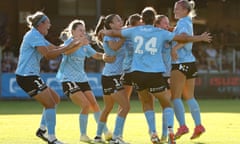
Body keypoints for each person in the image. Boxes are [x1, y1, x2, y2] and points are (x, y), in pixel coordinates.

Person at [99, 6, 211, 144]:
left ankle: (153, 133)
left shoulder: (133, 30)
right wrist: (200, 37)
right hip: (155, 73)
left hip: (137, 73)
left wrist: (104, 31)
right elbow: (182, 37)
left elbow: (115, 33)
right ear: (154, 19)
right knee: (166, 103)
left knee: (146, 103)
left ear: (142, 19)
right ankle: (170, 131)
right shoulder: (160, 32)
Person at [15, 11, 85, 144]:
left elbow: (56, 48)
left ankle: (42, 130)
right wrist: (68, 47)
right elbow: (49, 54)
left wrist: (74, 44)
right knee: (50, 103)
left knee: (55, 99)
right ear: (41, 24)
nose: (50, 25)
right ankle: (52, 138)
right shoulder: (34, 35)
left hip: (30, 75)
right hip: (27, 76)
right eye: (48, 23)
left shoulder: (37, 35)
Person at [56, 19, 113, 143]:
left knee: (94, 105)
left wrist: (105, 56)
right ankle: (83, 135)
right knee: (86, 105)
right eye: (80, 30)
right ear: (73, 32)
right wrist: (79, 44)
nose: (83, 32)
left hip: (82, 79)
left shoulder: (85, 44)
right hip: (69, 79)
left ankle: (106, 132)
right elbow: (66, 51)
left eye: (84, 30)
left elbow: (95, 55)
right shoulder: (68, 43)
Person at [170, 0, 206, 140]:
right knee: (190, 97)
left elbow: (184, 38)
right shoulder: (187, 21)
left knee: (176, 97)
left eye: (177, 9)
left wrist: (174, 48)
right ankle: (198, 125)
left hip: (180, 62)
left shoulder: (183, 22)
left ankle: (182, 126)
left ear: (185, 10)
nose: (174, 12)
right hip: (190, 62)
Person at [93, 14, 130, 144]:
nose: (121, 22)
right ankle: (116, 138)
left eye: (121, 19)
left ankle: (98, 137)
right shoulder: (109, 36)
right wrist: (125, 36)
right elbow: (114, 47)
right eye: (118, 20)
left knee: (108, 107)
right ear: (111, 25)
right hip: (111, 76)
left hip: (110, 76)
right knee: (125, 106)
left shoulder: (117, 34)